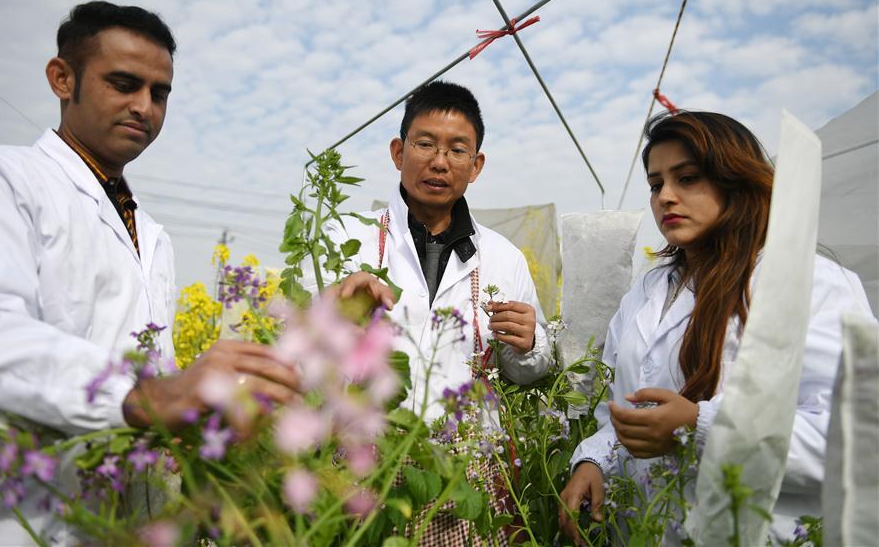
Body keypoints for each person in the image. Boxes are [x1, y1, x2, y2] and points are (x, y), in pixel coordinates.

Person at [0, 1, 299, 545]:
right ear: (62, 78)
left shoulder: (150, 232)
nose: (143, 107)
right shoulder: (2, 179)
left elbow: (157, 368)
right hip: (27, 517)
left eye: (159, 93)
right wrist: (145, 397)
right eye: (123, 83)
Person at [557, 111, 875, 545]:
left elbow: (850, 439)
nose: (666, 196)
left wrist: (699, 426)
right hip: (646, 530)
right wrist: (593, 461)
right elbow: (621, 410)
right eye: (655, 185)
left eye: (687, 178)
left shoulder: (808, 283)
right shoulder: (648, 290)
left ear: (734, 180)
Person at [325, 80, 553, 422]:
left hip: (468, 460)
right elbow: (302, 346)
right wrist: (333, 312)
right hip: (365, 457)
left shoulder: (506, 259)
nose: (440, 162)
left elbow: (526, 373)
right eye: (426, 144)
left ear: (476, 166)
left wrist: (529, 345)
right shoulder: (347, 237)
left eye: (458, 150)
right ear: (399, 153)